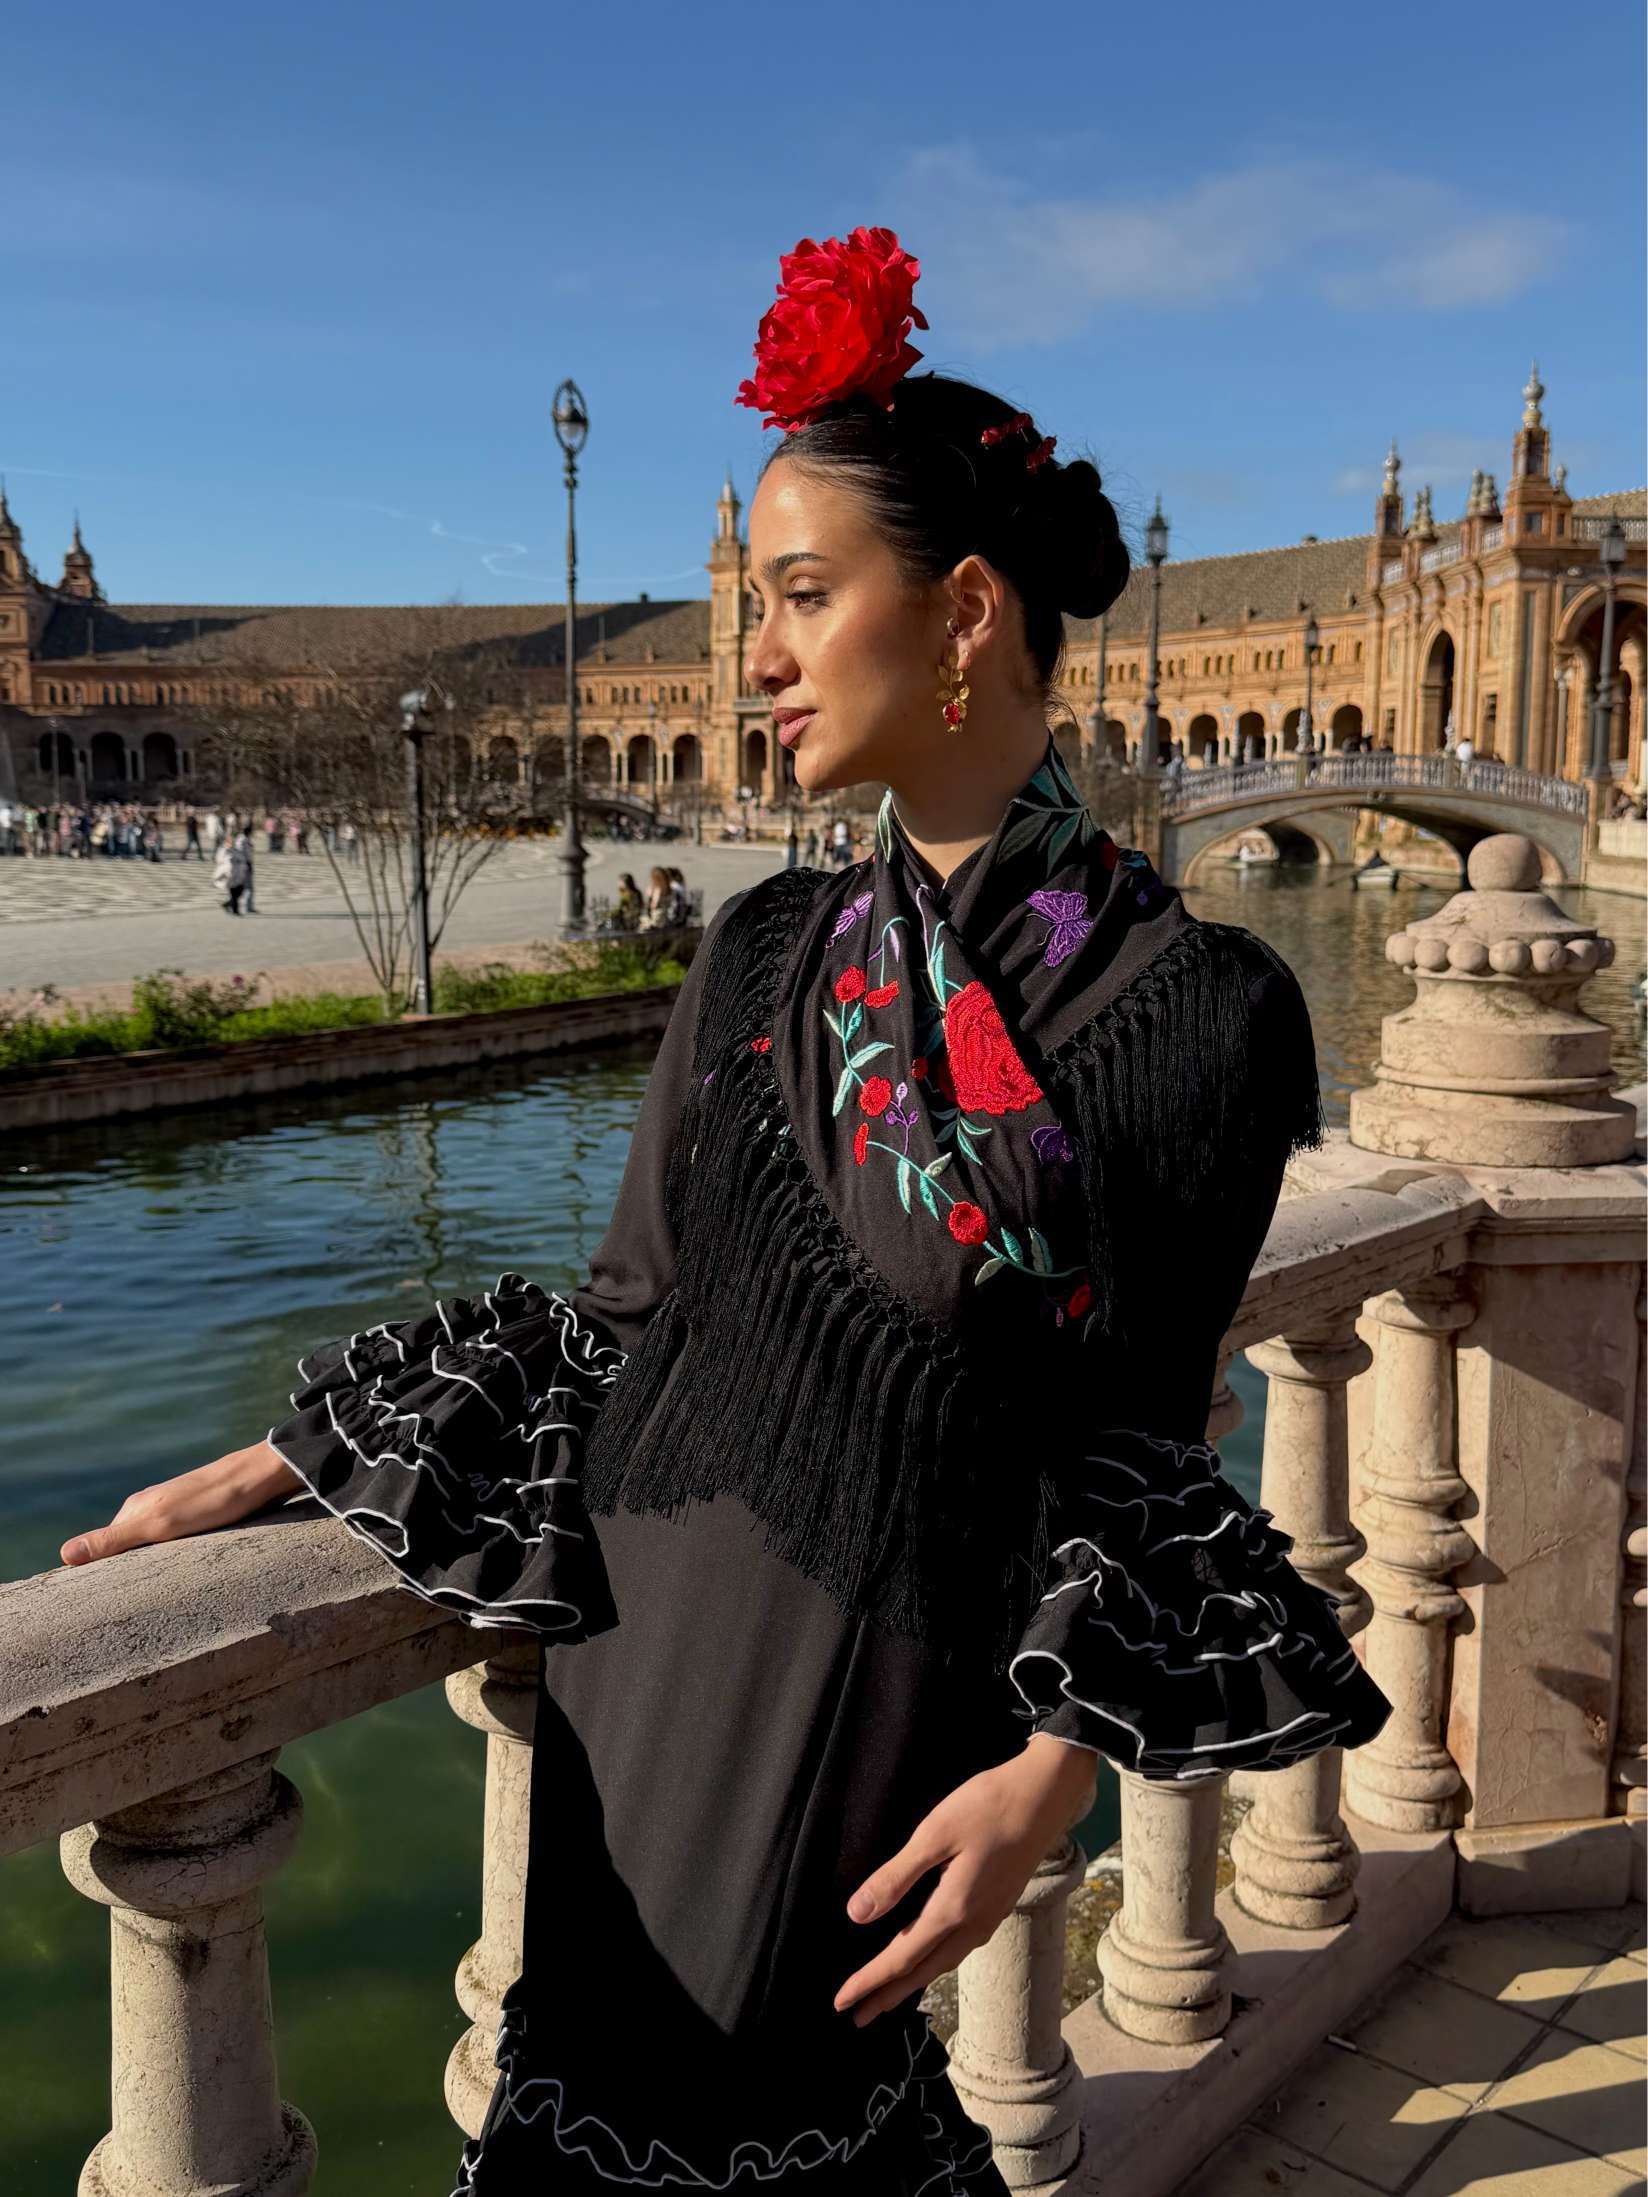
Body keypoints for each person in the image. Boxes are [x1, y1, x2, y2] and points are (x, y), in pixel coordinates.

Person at [58, 224, 1389, 2195]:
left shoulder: (1202, 1015)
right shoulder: (762, 948)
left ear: (956, 615)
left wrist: (1048, 1764)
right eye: (746, 598)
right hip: (631, 1684)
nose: (751, 655)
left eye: (796, 595)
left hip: (858, 1738)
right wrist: (294, 1452)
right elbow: (624, 1316)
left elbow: (1148, 1436)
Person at [213, 834, 249, 915]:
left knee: (240, 890)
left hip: (237, 874)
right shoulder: (223, 850)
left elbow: (241, 859)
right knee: (234, 892)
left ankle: (228, 904)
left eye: (232, 841)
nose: (232, 843)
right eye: (230, 842)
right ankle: (234, 910)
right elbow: (219, 860)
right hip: (228, 875)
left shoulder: (235, 850)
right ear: (226, 842)